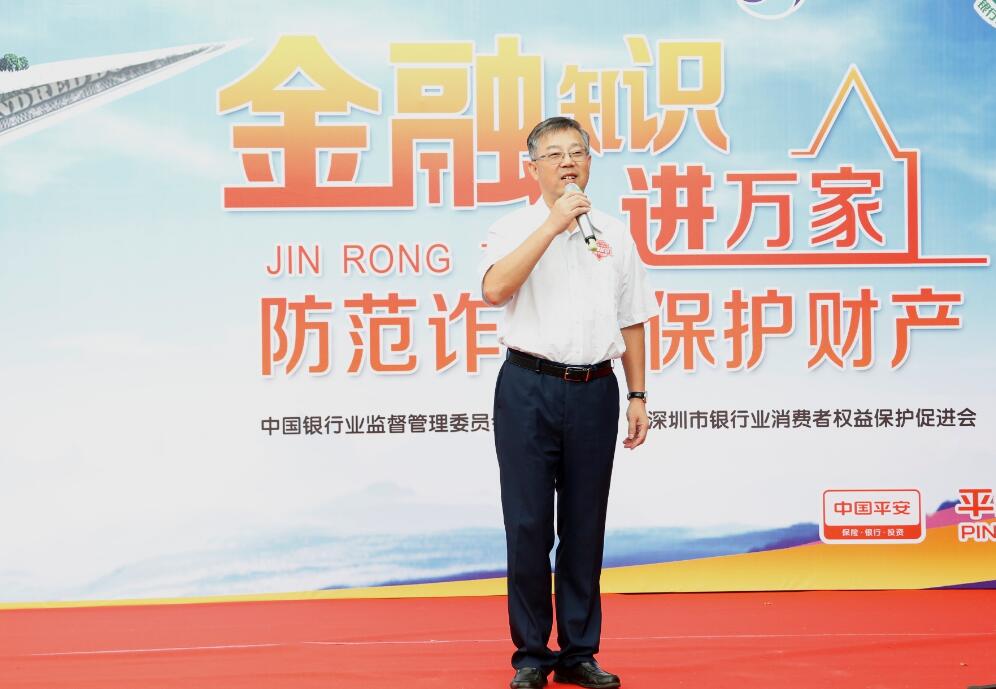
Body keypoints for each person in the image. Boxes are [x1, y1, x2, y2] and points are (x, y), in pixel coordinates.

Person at [479, 117, 658, 689]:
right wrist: (553, 224)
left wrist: (637, 393)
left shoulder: (614, 234)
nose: (567, 163)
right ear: (532, 167)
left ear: (589, 162)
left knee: (584, 526)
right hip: (527, 388)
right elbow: (494, 290)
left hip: (595, 390)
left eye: (577, 152)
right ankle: (532, 655)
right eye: (554, 154)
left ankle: (579, 651)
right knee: (528, 525)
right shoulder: (512, 227)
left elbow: (633, 319)